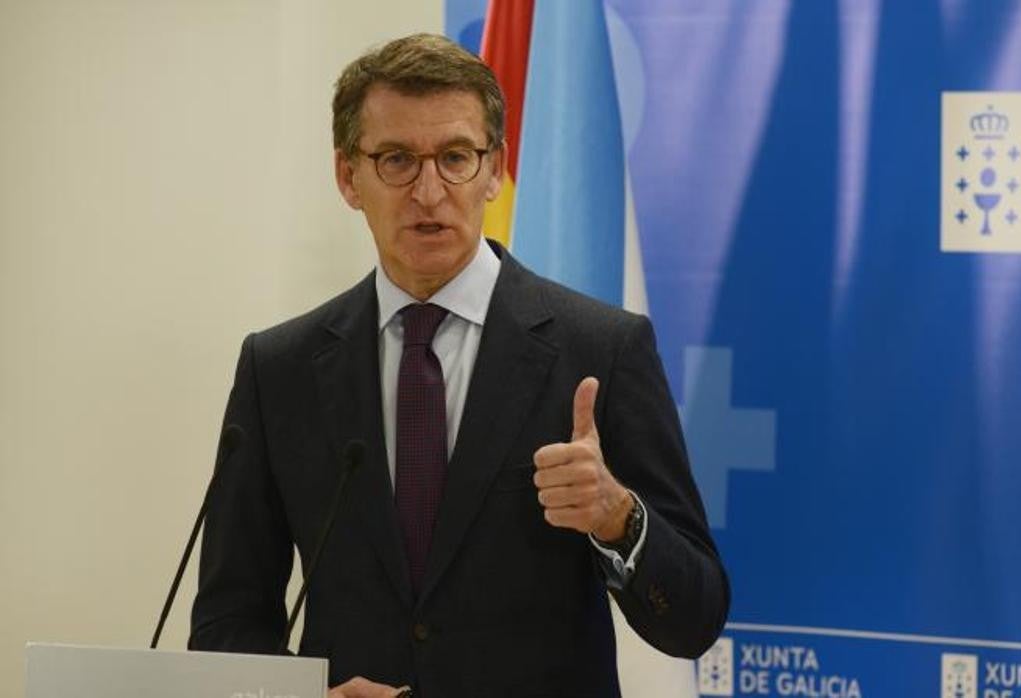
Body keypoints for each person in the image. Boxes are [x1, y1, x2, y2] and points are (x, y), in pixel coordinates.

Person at [189, 33, 729, 697]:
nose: (429, 191)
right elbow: (227, 623)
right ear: (348, 177)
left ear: (494, 169)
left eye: (455, 157)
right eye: (396, 159)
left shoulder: (601, 349)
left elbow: (696, 618)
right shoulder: (280, 370)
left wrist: (619, 517)